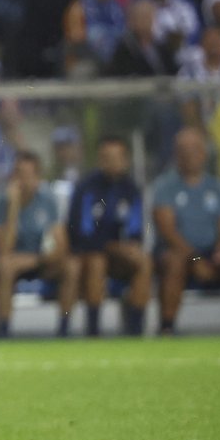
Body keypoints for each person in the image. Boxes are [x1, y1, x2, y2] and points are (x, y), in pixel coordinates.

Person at [0, 152, 78, 337]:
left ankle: (64, 328)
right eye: (17, 173)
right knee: (5, 267)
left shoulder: (48, 200)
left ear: (37, 178)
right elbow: (5, 249)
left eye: (27, 175)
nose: (22, 180)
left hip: (40, 260)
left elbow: (61, 243)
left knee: (71, 266)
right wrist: (13, 207)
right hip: (10, 262)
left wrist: (39, 259)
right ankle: (4, 330)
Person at [66, 136, 151, 336]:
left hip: (120, 255)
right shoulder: (86, 188)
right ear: (99, 160)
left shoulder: (131, 189)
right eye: (106, 157)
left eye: (116, 157)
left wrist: (131, 245)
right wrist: (110, 246)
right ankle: (93, 330)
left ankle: (136, 329)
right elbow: (80, 233)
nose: (111, 162)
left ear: (125, 160)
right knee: (97, 262)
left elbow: (136, 229)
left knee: (144, 261)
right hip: (90, 254)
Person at [151, 128, 220, 334]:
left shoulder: (217, 187)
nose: (190, 155)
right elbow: (167, 231)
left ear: (204, 153)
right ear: (176, 154)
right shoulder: (165, 186)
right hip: (181, 253)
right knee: (174, 261)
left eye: (195, 149)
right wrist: (196, 259)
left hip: (211, 253)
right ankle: (167, 327)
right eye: (184, 150)